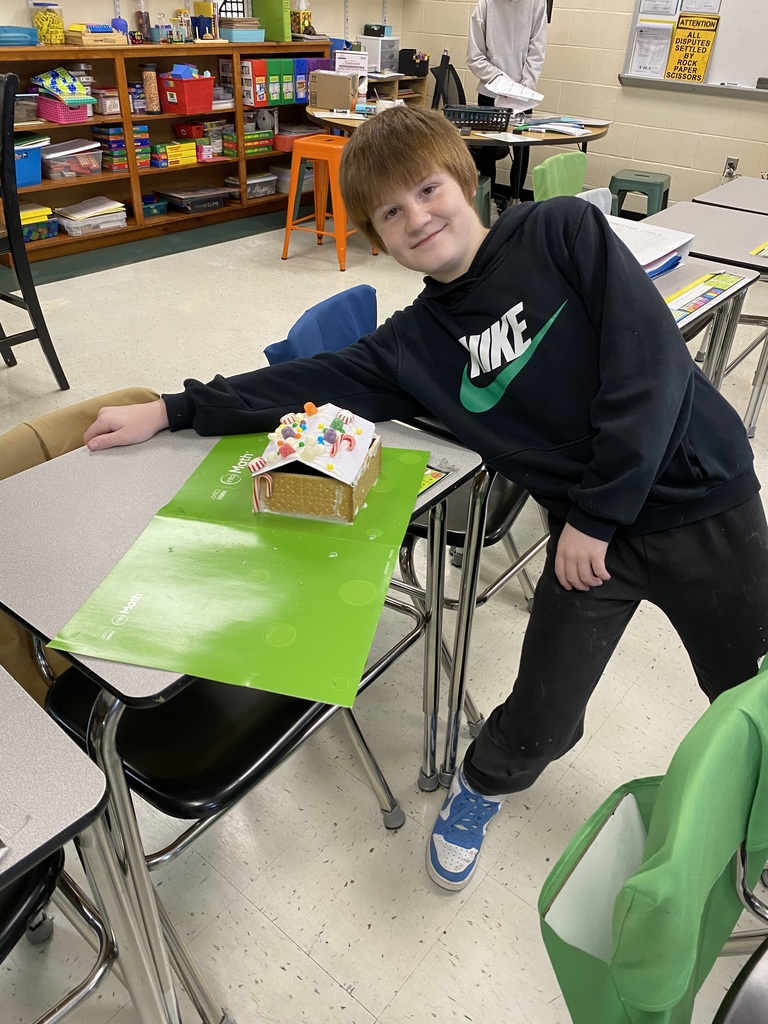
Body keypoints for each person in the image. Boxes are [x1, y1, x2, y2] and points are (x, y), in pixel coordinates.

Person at [83, 106, 768, 893]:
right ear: (376, 237)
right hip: (591, 545)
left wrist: (596, 515)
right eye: (389, 212)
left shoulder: (560, 231)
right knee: (543, 715)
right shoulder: (412, 345)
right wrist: (173, 408)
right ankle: (480, 784)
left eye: (428, 189)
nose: (416, 217)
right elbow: (302, 383)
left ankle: (756, 813)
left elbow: (650, 368)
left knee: (748, 687)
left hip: (698, 501)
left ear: (464, 180)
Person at [466, 0, 548, 204]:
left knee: (522, 148)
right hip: (490, 91)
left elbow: (537, 51)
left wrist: (524, 84)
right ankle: (489, 203)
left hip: (523, 92)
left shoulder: (536, 4)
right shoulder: (485, 5)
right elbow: (474, 56)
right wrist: (501, 81)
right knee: (489, 149)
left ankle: (515, 200)